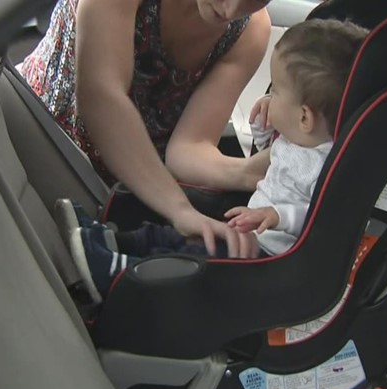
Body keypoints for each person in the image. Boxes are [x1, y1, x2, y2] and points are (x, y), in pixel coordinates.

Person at [63, 18, 369, 297]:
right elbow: (271, 159)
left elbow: (322, 217)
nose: (268, 97)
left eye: (275, 93)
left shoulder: (327, 165)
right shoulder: (296, 140)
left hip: (271, 256)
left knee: (196, 258)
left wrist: (278, 216)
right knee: (182, 238)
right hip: (252, 234)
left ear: (304, 118)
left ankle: (117, 274)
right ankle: (111, 241)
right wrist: (264, 125)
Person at [19, 0, 273, 260]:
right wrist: (178, 209)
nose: (231, 10)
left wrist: (249, 172)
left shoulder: (249, 32)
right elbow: (102, 96)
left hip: (123, 189)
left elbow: (188, 149)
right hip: (40, 141)